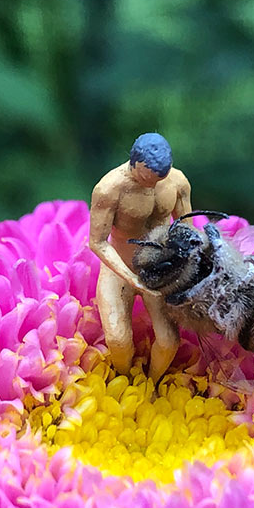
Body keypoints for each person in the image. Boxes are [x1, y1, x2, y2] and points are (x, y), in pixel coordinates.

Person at [89, 133, 193, 384]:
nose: (152, 185)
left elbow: (187, 229)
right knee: (118, 340)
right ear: (135, 164)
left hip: (158, 272)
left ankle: (152, 384)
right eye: (147, 178)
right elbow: (97, 242)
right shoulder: (108, 189)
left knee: (169, 341)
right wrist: (131, 278)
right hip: (120, 270)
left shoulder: (177, 183)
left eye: (159, 178)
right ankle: (122, 381)